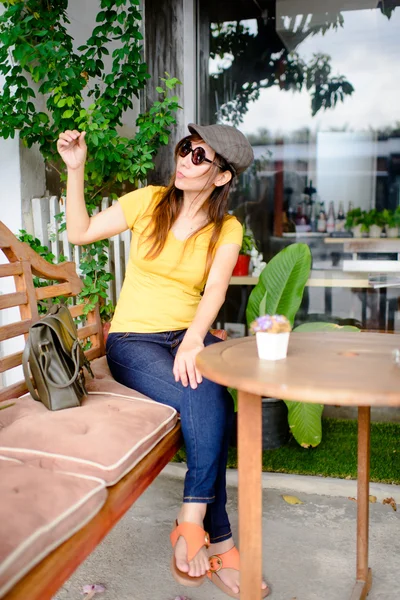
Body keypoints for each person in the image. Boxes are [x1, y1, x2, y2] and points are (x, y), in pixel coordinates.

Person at [57, 123, 269, 599]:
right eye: (186, 148)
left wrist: (195, 339)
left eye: (200, 156)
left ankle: (198, 527)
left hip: (183, 338)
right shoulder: (149, 200)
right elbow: (80, 231)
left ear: (220, 176)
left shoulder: (226, 228)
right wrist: (76, 169)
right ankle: (214, 536)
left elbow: (215, 288)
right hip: (133, 340)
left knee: (211, 395)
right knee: (206, 395)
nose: (185, 159)